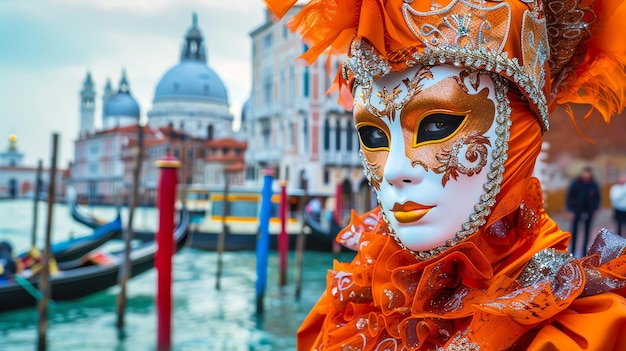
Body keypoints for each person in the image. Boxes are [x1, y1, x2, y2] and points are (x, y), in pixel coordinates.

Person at [263, 0, 626, 349]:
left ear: (517, 135)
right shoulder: (357, 301)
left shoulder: (582, 331)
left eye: (437, 125)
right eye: (374, 136)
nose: (395, 171)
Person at [566, 166, 601, 256]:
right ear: (582, 173)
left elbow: (598, 197)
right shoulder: (576, 183)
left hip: (589, 211)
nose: (586, 174)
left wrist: (595, 209)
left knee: (587, 232)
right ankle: (572, 251)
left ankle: (583, 252)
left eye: (588, 173)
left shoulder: (594, 184)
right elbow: (569, 197)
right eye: (585, 172)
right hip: (577, 210)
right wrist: (570, 210)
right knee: (574, 232)